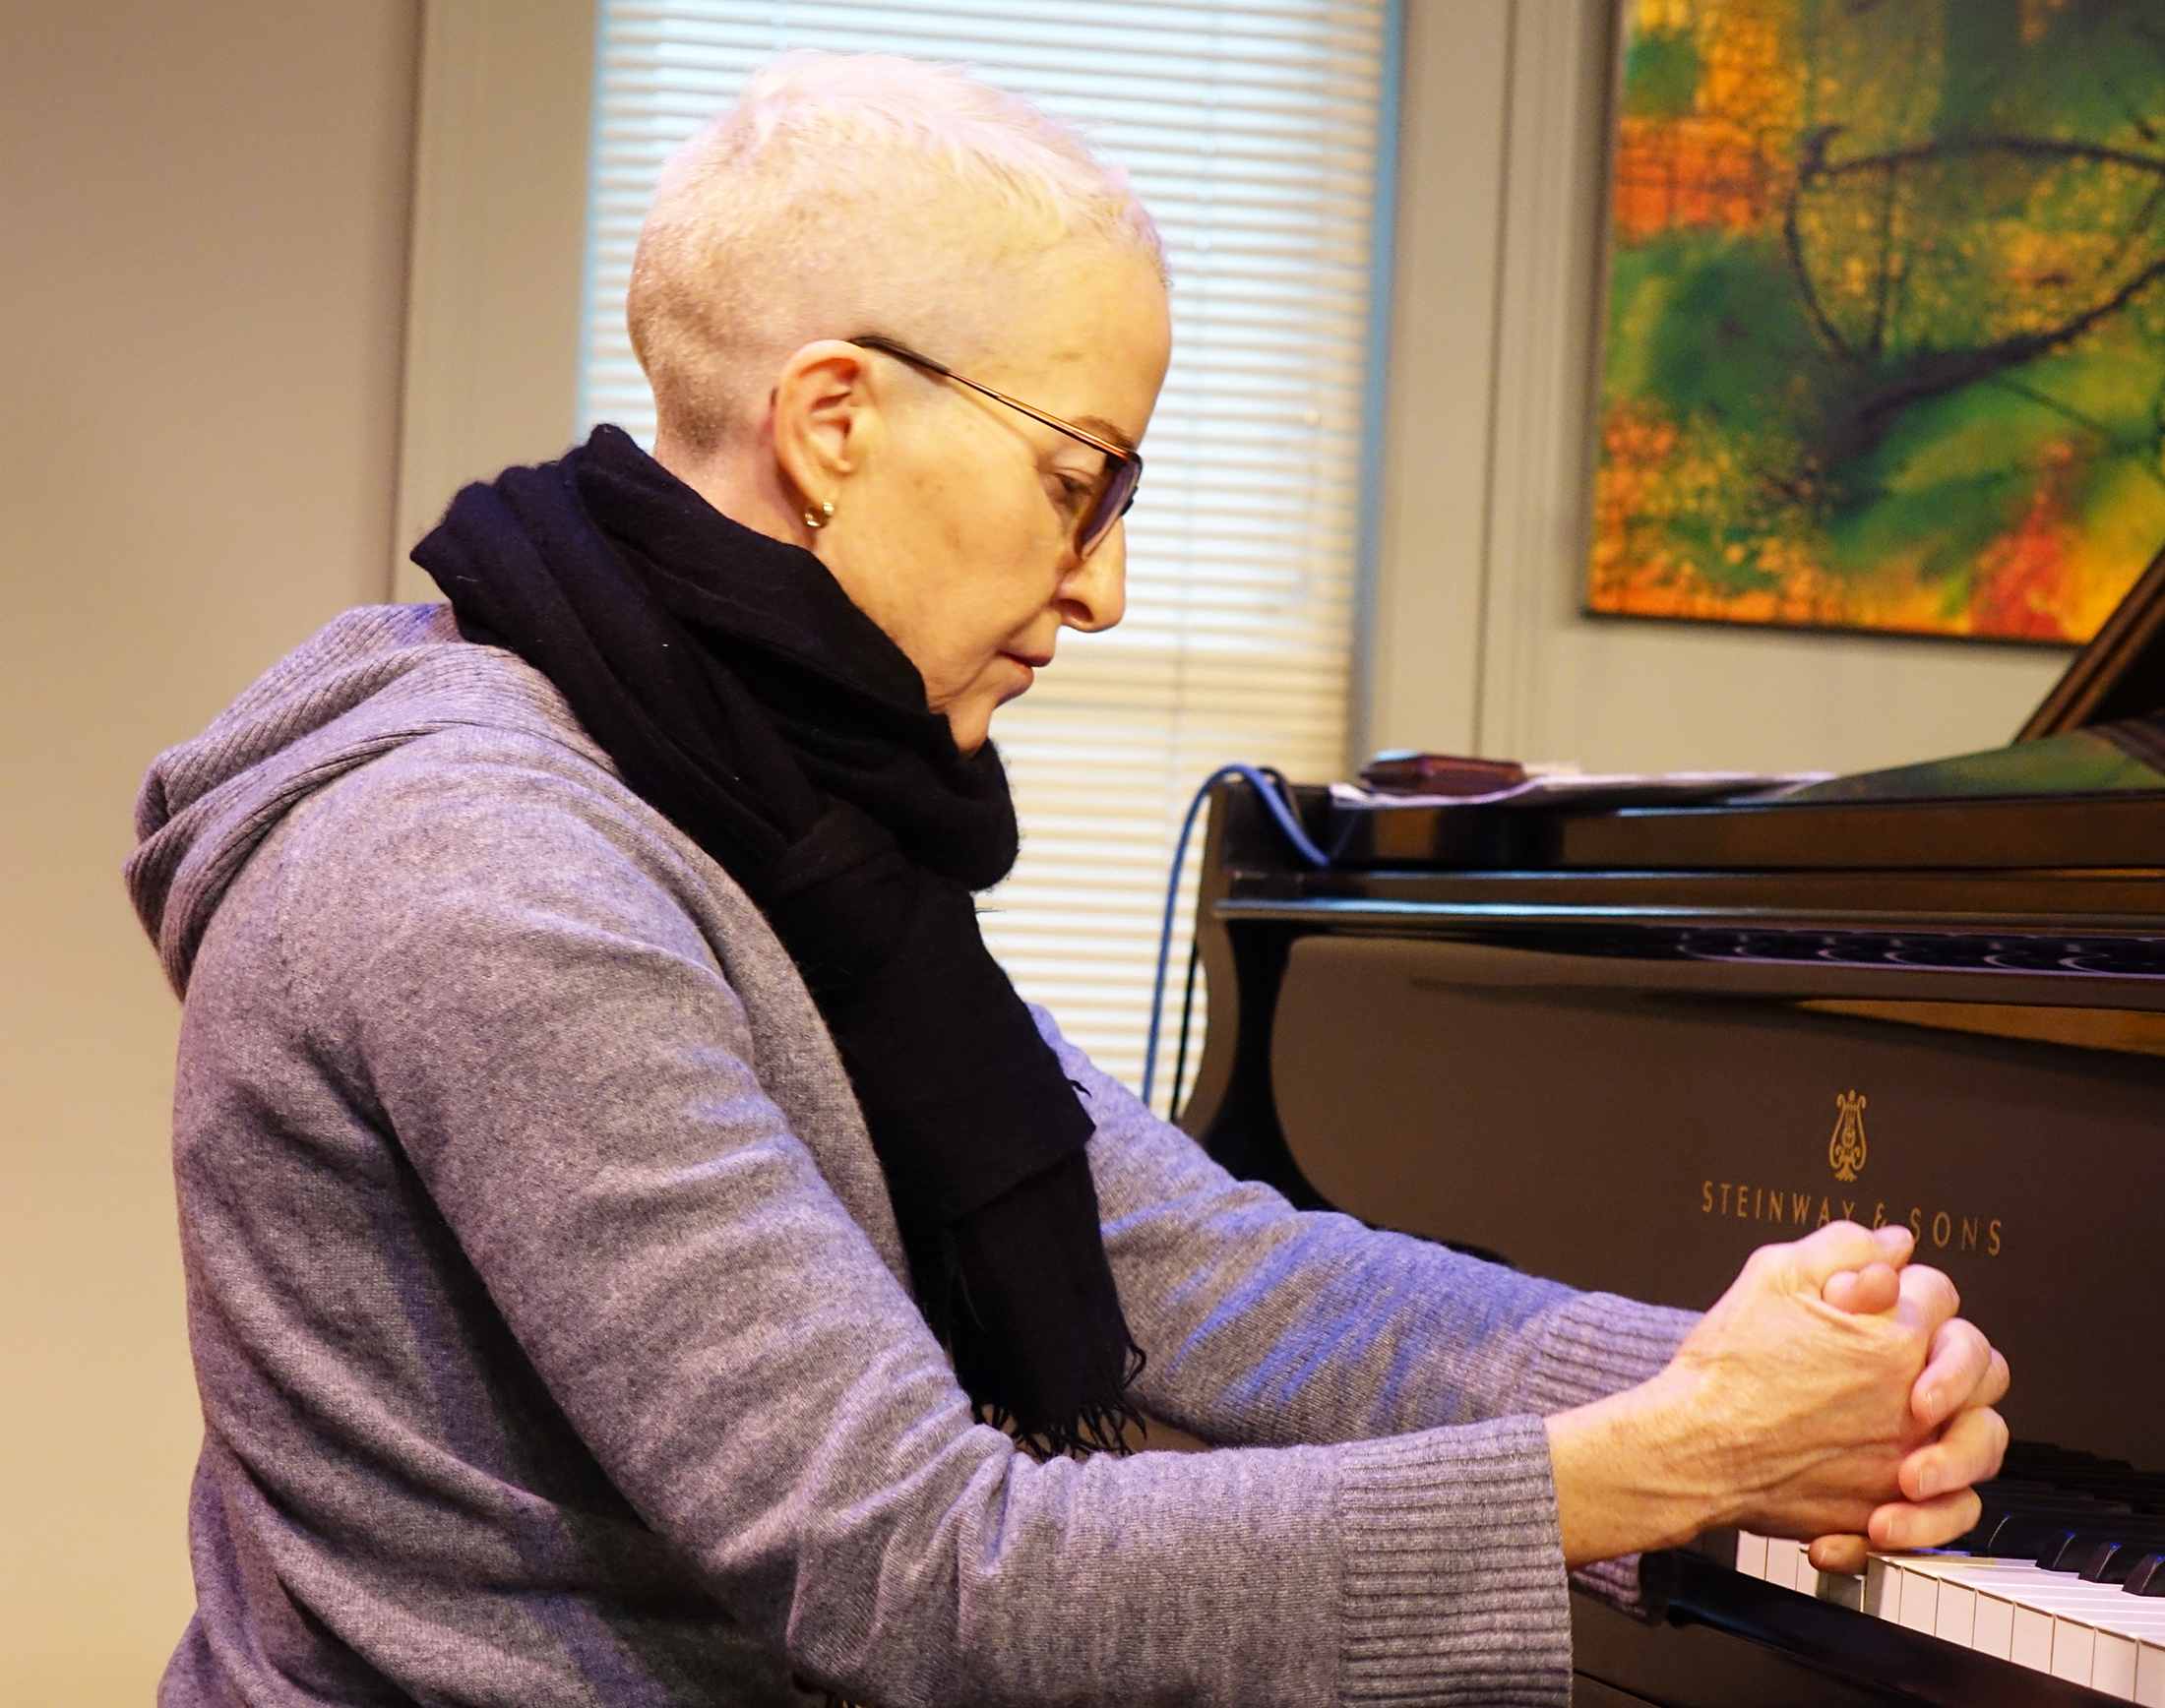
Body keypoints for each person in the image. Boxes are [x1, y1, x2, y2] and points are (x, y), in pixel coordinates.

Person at [127, 51, 2008, 1708]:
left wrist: (1776, 1381)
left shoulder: (752, 796)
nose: (1107, 585)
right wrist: (1670, 1464)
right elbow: (919, 1571)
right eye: (1084, 479)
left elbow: (1192, 1260)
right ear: (836, 422)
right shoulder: (492, 877)